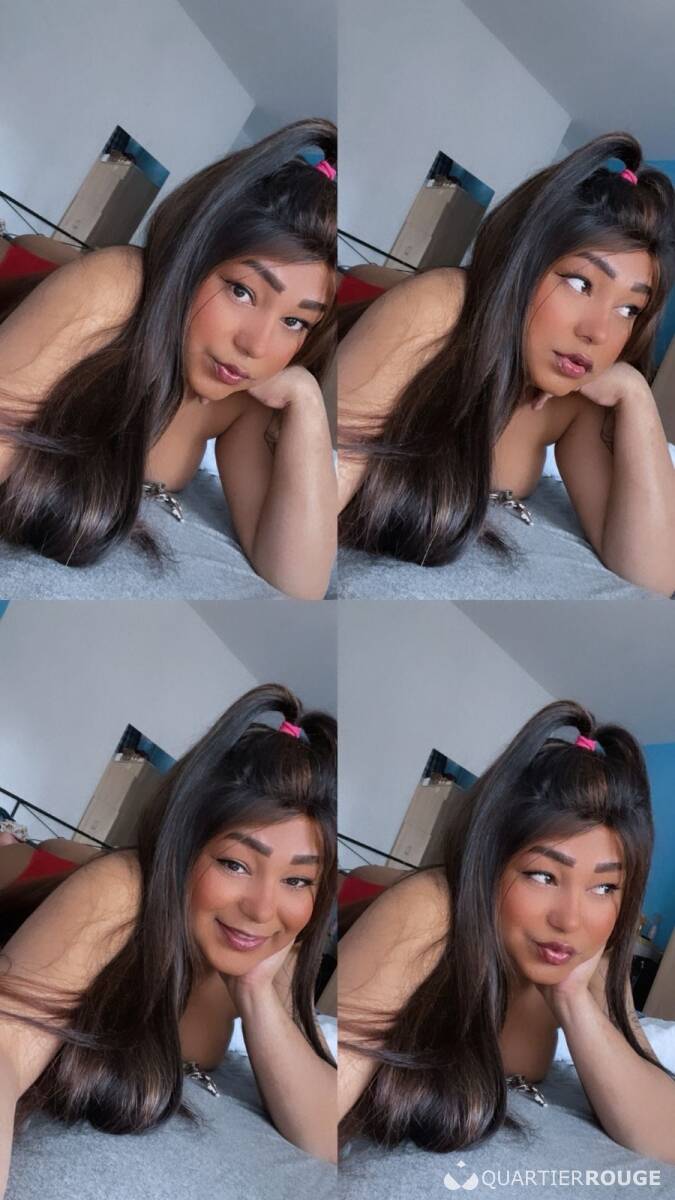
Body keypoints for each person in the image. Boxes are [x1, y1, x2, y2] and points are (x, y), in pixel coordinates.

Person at [0, 684, 337, 1197]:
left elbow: (324, 1136)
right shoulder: (121, 891)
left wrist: (255, 994)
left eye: (297, 880)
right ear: (183, 847)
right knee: (37, 853)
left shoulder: (272, 957)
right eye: (235, 864)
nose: (263, 909)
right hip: (26, 887)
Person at [0, 119, 337, 599]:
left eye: (295, 321)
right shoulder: (114, 289)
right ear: (192, 256)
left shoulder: (243, 393)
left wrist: (307, 401)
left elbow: (299, 582)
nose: (256, 346)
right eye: (241, 291)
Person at [338, 700, 675, 1164]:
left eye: (604, 887)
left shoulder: (594, 956)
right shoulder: (429, 910)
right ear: (491, 863)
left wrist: (573, 1000)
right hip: (396, 907)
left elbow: (667, 1135)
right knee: (367, 880)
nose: (570, 920)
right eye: (543, 875)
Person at [338, 132, 675, 596]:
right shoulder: (438, 308)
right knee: (361, 276)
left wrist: (636, 393)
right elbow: (317, 494)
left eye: (629, 309)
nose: (598, 333)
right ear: (523, 263)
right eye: (580, 284)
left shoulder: (575, 398)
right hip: (355, 325)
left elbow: (654, 575)